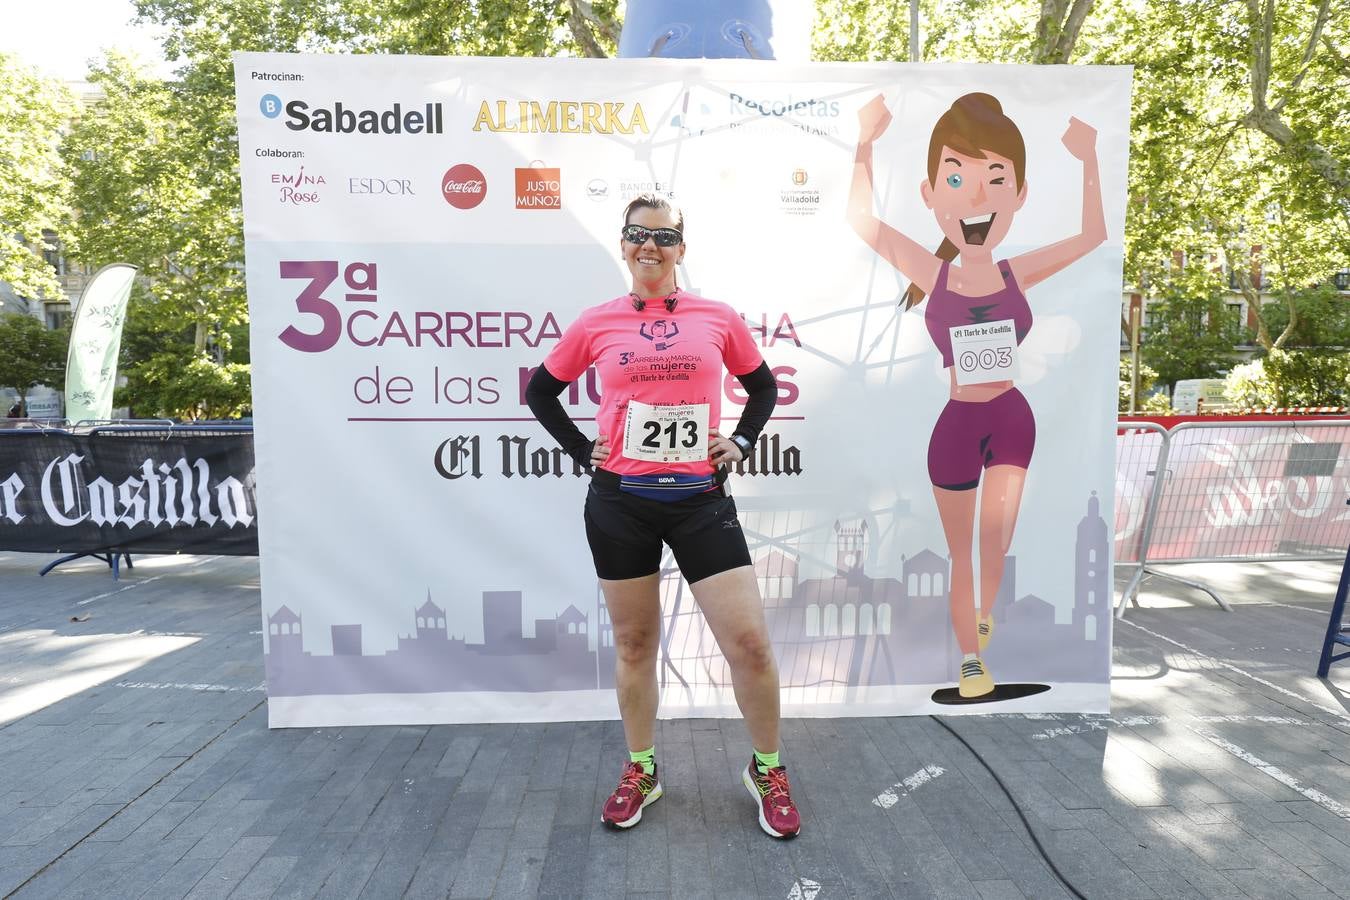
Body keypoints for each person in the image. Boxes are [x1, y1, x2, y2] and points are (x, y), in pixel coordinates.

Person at [525, 193, 800, 838]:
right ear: (623, 245)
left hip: (700, 501)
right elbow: (540, 391)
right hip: (622, 504)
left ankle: (767, 769)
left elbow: (762, 386)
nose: (649, 247)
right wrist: (579, 448)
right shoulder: (597, 322)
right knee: (635, 644)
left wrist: (741, 440)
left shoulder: (717, 316)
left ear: (682, 246)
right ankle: (642, 768)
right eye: (637, 236)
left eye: (663, 236)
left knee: (751, 646)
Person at [847, 92, 1105, 699]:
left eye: (996, 179)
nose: (977, 197)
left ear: (1019, 193)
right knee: (959, 552)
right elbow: (862, 223)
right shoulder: (931, 273)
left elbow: (1093, 235)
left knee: (998, 542)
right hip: (958, 426)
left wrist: (1089, 159)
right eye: (957, 178)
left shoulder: (1018, 272)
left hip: (1011, 417)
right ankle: (971, 665)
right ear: (930, 194)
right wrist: (865, 141)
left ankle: (983, 618)